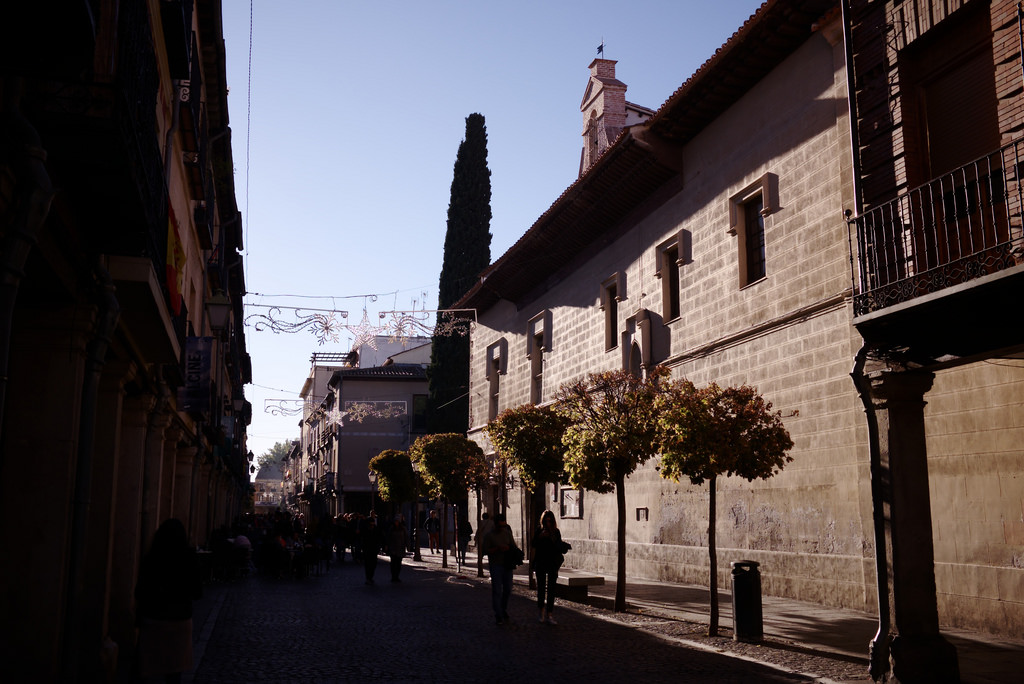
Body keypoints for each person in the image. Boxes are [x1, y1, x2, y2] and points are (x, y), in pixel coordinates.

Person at [134, 518, 203, 683]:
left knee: (145, 668)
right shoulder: (189, 559)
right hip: (180, 621)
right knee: (174, 671)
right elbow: (198, 592)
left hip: (153, 619)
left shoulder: (152, 559)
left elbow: (139, 591)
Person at [531, 510, 567, 625]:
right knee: (541, 589)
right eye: (546, 521)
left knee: (551, 589)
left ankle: (550, 614)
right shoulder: (539, 530)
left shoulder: (556, 532)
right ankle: (541, 612)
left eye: (550, 521)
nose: (548, 523)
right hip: (541, 562)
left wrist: (552, 538)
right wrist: (540, 537)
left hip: (552, 562)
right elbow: (533, 544)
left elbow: (558, 545)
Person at [482, 513, 519, 625]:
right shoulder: (489, 536)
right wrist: (497, 548)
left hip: (507, 564)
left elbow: (514, 547)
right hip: (495, 565)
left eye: (504, 526)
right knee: (497, 590)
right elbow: (485, 550)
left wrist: (508, 548)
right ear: (495, 525)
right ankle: (498, 614)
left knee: (508, 589)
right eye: (500, 526)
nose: (502, 528)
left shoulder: (507, 533)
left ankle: (503, 608)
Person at [385, 514, 408, 582]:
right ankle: (393, 576)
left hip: (400, 548)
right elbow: (388, 537)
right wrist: (386, 545)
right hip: (393, 548)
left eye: (397, 521)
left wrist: (407, 545)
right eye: (395, 521)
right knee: (393, 563)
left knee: (398, 563)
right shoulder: (391, 528)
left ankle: (397, 576)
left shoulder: (403, 529)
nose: (396, 522)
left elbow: (406, 537)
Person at [362, 515, 382, 584]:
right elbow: (363, 539)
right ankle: (368, 577)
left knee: (373, 564)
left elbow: (379, 537)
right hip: (367, 549)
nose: (372, 525)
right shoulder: (365, 530)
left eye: (373, 524)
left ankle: (370, 577)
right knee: (368, 564)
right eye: (371, 524)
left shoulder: (376, 529)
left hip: (374, 549)